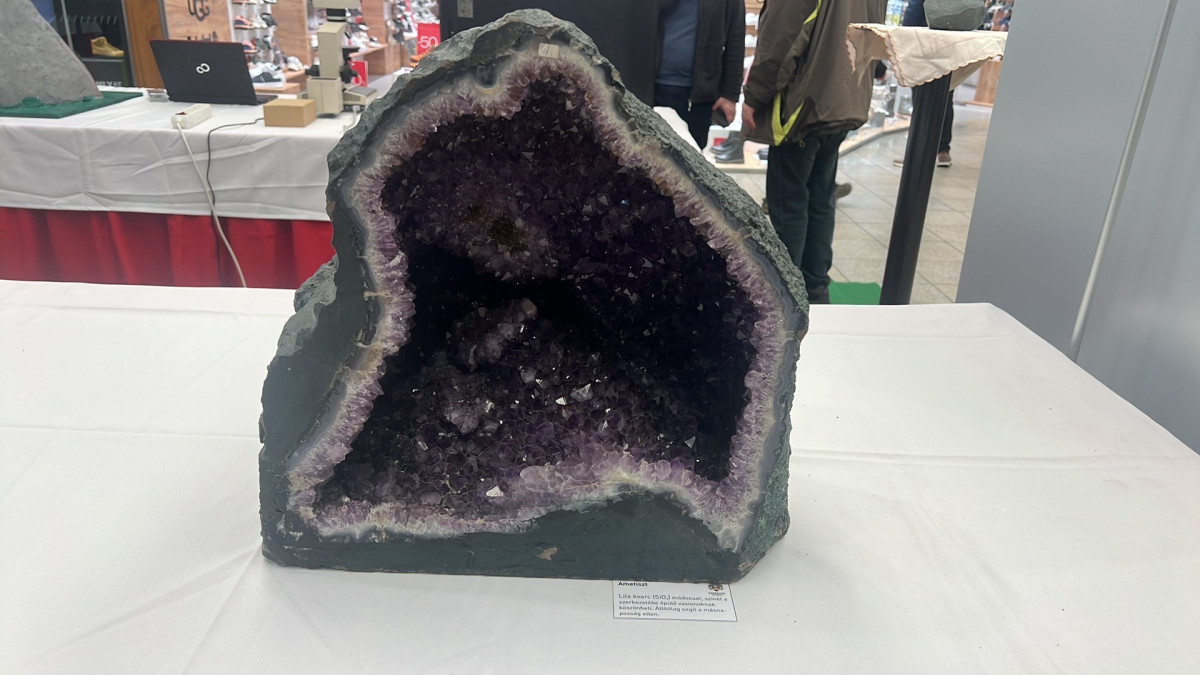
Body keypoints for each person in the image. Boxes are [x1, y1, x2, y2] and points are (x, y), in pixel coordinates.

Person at [742, 0, 884, 304]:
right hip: (844, 101)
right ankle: (816, 289)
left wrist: (754, 97)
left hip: (805, 105)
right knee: (820, 198)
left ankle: (785, 296)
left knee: (790, 203)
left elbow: (780, 42)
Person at [655, 0, 745, 150]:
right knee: (638, 156)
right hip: (648, 89)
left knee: (691, 159)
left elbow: (735, 36)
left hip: (697, 97)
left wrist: (730, 94)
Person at [893, 0, 959, 168]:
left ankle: (916, 153)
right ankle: (943, 151)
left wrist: (904, 36)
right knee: (946, 98)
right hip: (951, 44)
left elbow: (914, 11)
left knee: (921, 101)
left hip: (925, 43)